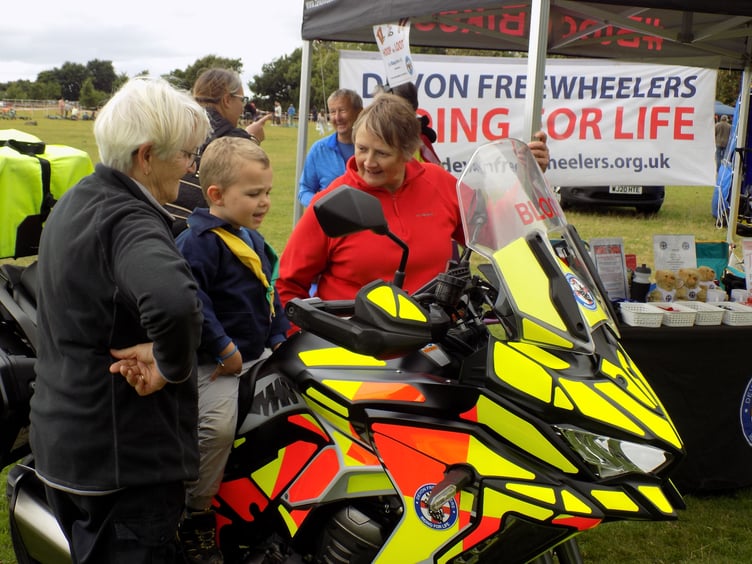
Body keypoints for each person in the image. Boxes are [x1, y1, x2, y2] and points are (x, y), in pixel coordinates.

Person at [29, 77, 210, 563]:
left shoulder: (77, 199)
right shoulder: (129, 219)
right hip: (123, 465)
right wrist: (170, 363)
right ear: (146, 155)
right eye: (186, 155)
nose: (191, 167)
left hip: (67, 444)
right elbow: (173, 302)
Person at [277, 93, 550, 306]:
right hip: (354, 352)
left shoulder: (438, 182)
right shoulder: (330, 203)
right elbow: (287, 284)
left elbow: (492, 232)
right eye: (361, 149)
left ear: (409, 152)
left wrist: (526, 178)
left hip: (432, 342)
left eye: (381, 153)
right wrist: (299, 345)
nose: (367, 162)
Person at [175, 136, 289, 563]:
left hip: (255, 353)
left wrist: (279, 334)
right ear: (217, 195)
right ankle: (196, 512)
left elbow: (267, 293)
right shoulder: (198, 243)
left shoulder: (250, 238)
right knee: (218, 429)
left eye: (268, 193)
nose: (264, 203)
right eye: (253, 194)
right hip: (216, 364)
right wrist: (224, 348)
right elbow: (194, 303)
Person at [167, 68, 272, 236]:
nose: (242, 107)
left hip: (163, 227)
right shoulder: (236, 141)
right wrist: (252, 139)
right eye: (242, 100)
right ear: (226, 100)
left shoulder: (174, 127)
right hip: (202, 236)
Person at [297, 88, 364, 206]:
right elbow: (305, 190)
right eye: (333, 112)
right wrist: (322, 205)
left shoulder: (373, 149)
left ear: (359, 112)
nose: (337, 117)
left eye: (342, 110)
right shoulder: (318, 150)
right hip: (328, 223)